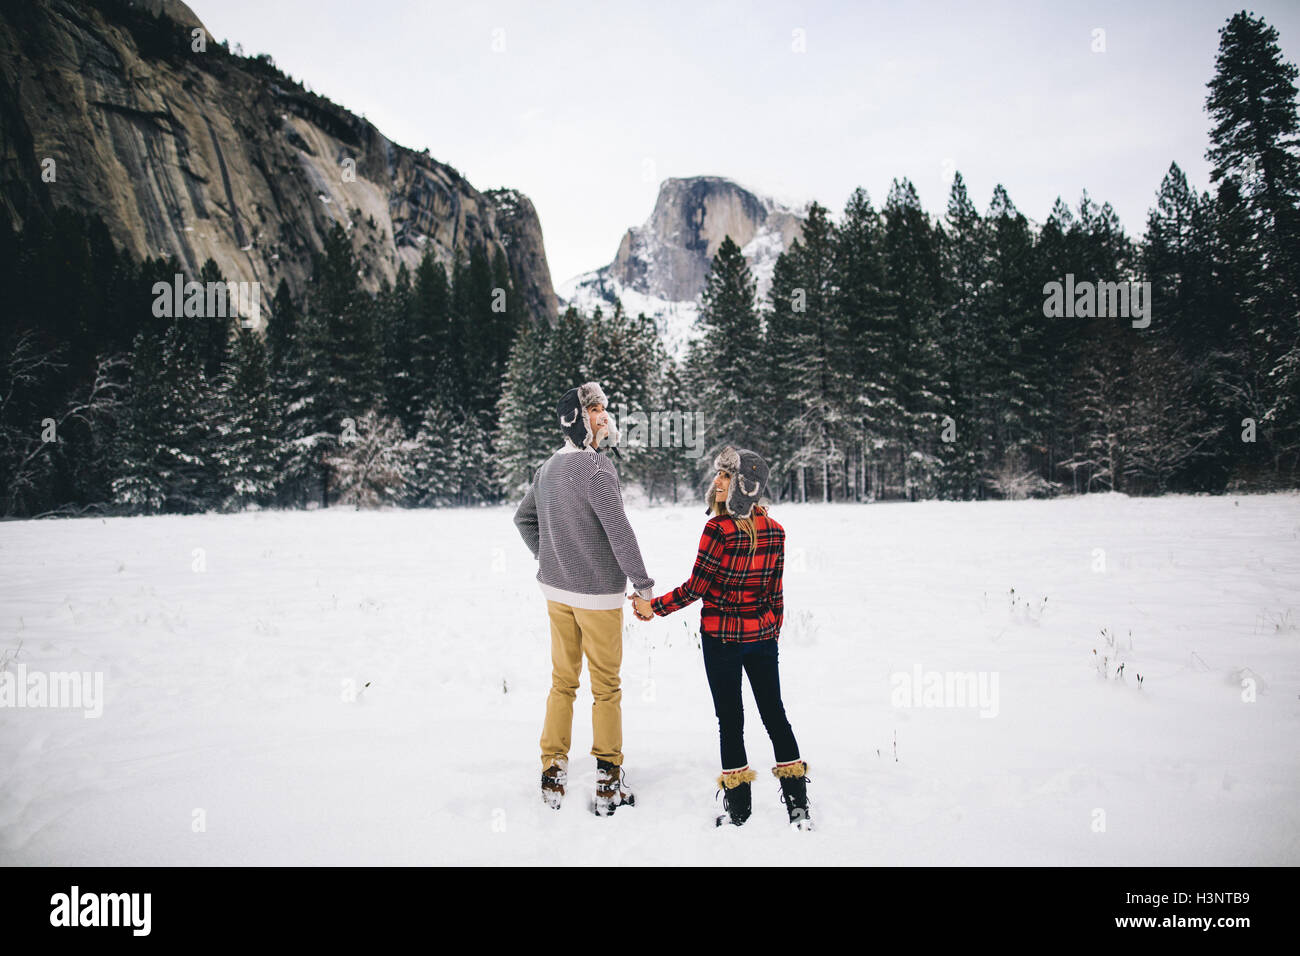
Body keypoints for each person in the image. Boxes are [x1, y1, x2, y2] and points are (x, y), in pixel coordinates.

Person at [631, 446, 811, 829]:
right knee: (775, 715)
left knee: (730, 720)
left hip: (722, 639)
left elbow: (697, 587)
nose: (717, 481)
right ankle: (798, 807)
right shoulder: (776, 531)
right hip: (762, 638)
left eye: (726, 476)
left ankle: (740, 812)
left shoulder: (718, 530)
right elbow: (775, 594)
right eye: (719, 474)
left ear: (744, 486)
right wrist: (770, 633)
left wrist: (654, 608)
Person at [513, 381, 654, 815]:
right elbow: (620, 532)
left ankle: (552, 770)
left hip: (556, 591)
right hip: (596, 596)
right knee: (607, 688)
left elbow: (523, 519)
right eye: (595, 410)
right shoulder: (595, 469)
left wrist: (552, 557)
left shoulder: (547, 468)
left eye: (605, 409)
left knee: (562, 682)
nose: (604, 416)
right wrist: (643, 586)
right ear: (576, 419)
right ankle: (608, 778)